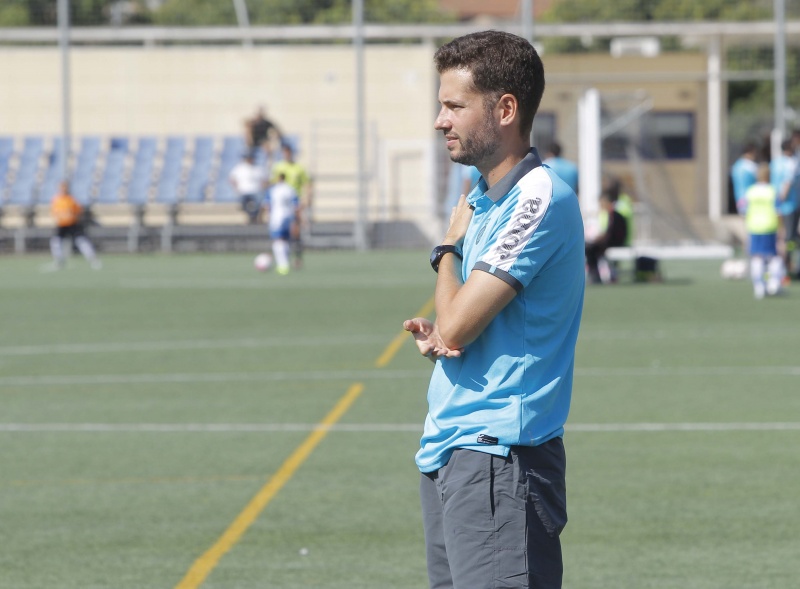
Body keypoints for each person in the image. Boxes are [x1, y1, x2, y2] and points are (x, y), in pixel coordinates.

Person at [402, 31, 585, 589]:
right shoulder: (482, 197)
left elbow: (458, 321)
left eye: (454, 105)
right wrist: (443, 337)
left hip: (498, 456)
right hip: (452, 451)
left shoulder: (538, 197)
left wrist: (449, 249)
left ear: (505, 109)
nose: (440, 120)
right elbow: (455, 329)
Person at [739, 163, 784, 298]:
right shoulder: (772, 191)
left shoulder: (750, 191)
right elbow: (778, 212)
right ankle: (773, 283)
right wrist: (782, 229)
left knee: (757, 257)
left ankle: (759, 286)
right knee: (774, 256)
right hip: (769, 226)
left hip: (754, 227)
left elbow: (742, 209)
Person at [270, 144, 312, 268]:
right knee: (280, 235)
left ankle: (298, 258)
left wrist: (306, 200)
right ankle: (283, 258)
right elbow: (273, 184)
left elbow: (307, 185)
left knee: (295, 233)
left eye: (288, 152)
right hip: (282, 206)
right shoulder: (278, 167)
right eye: (284, 152)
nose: (287, 155)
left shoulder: (299, 168)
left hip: (295, 205)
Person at [49, 180, 101, 270]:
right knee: (55, 242)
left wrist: (73, 217)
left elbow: (78, 211)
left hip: (72, 224)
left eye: (64, 187)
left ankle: (93, 259)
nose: (63, 189)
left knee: (81, 241)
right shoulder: (56, 200)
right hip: (61, 225)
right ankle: (59, 261)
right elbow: (54, 212)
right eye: (61, 187)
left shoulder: (71, 200)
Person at [260, 172, 300, 276]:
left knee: (277, 240)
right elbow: (296, 205)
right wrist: (296, 219)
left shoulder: (273, 190)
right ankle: (285, 264)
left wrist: (265, 216)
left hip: (277, 217)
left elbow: (266, 205)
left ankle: (283, 266)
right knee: (285, 241)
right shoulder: (290, 189)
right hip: (288, 216)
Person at [770, 140, 799, 279]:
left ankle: (782, 265)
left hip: (776, 205)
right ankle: (787, 265)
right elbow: (787, 182)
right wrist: (781, 198)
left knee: (781, 236)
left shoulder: (775, 162)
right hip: (789, 206)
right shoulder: (791, 162)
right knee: (790, 238)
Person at [229, 151, 266, 224]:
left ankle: (254, 216)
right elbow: (232, 178)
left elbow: (265, 179)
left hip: (256, 190)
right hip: (243, 191)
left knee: (259, 201)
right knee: (242, 201)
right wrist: (236, 188)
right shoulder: (239, 168)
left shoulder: (258, 168)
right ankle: (251, 215)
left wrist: (262, 188)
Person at [730, 142, 759, 206]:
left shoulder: (736, 166)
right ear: (752, 152)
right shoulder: (751, 166)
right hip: (751, 199)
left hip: (739, 199)